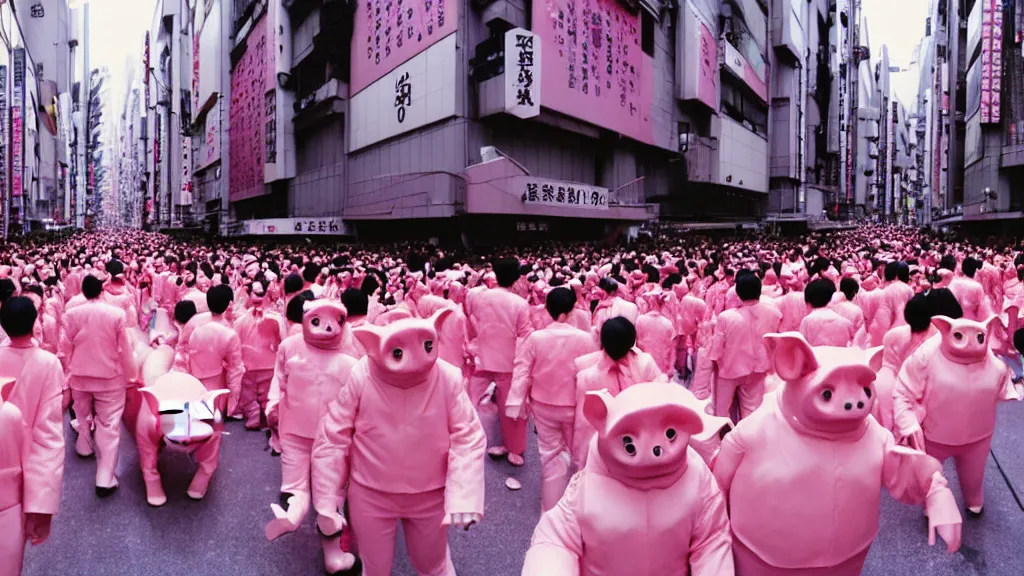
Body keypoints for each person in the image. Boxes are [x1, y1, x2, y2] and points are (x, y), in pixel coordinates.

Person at [506, 287, 598, 511]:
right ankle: (575, 506)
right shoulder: (586, 339)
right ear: (572, 309)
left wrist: (516, 403)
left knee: (549, 455)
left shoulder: (536, 338)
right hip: (574, 405)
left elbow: (521, 371)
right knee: (577, 454)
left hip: (543, 405)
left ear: (547, 309)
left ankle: (551, 509)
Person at [0, 296, 65, 563]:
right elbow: (48, 437)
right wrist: (41, 505)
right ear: (35, 322)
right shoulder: (48, 363)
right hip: (14, 484)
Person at [60, 275, 137, 497]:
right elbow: (125, 349)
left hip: (80, 376)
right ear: (102, 291)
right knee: (109, 424)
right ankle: (104, 476)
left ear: (83, 291)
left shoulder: (71, 314)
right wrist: (131, 376)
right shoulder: (116, 315)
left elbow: (66, 349)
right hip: (109, 378)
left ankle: (84, 446)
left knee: (82, 415)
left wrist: (68, 373)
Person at [465, 258, 533, 466]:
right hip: (507, 360)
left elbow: (472, 318)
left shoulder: (478, 297)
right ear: (515, 277)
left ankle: (466, 442)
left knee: (469, 400)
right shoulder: (520, 304)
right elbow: (525, 336)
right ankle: (514, 449)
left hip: (482, 357)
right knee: (511, 407)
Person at [708, 273, 781, 420]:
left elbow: (716, 350)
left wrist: (714, 365)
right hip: (759, 368)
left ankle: (722, 440)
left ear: (738, 293)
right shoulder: (774, 313)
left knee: (721, 412)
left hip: (730, 369)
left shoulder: (726, 317)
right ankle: (749, 440)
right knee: (752, 411)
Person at [799, 278, 856, 347]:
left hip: (816, 357)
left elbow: (803, 347)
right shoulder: (846, 322)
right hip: (840, 357)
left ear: (808, 301)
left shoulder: (806, 321)